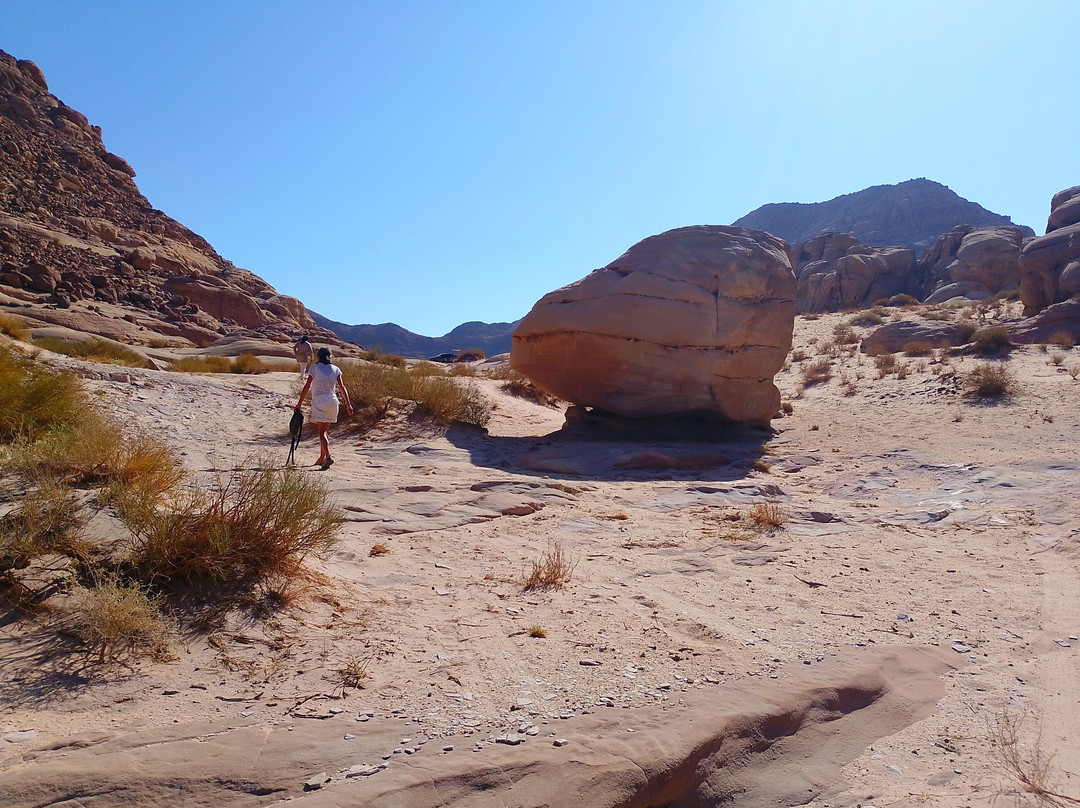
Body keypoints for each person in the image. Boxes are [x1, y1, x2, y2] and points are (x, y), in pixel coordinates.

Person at [295, 347, 353, 469]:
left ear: (319, 356)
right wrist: (348, 404)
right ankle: (321, 458)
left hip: (319, 401)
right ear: (330, 356)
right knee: (325, 431)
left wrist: (299, 403)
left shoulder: (314, 368)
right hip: (333, 401)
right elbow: (342, 387)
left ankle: (328, 456)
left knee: (321, 432)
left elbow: (307, 386)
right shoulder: (336, 369)